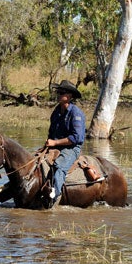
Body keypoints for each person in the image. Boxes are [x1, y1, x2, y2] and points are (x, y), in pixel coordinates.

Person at [43, 79, 86, 208]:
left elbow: (76, 138)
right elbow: (51, 132)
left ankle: (54, 197)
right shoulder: (56, 112)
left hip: (72, 148)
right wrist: (49, 144)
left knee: (59, 167)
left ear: (69, 96)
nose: (58, 95)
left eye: (61, 93)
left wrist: (55, 142)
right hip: (55, 146)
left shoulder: (76, 113)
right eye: (58, 92)